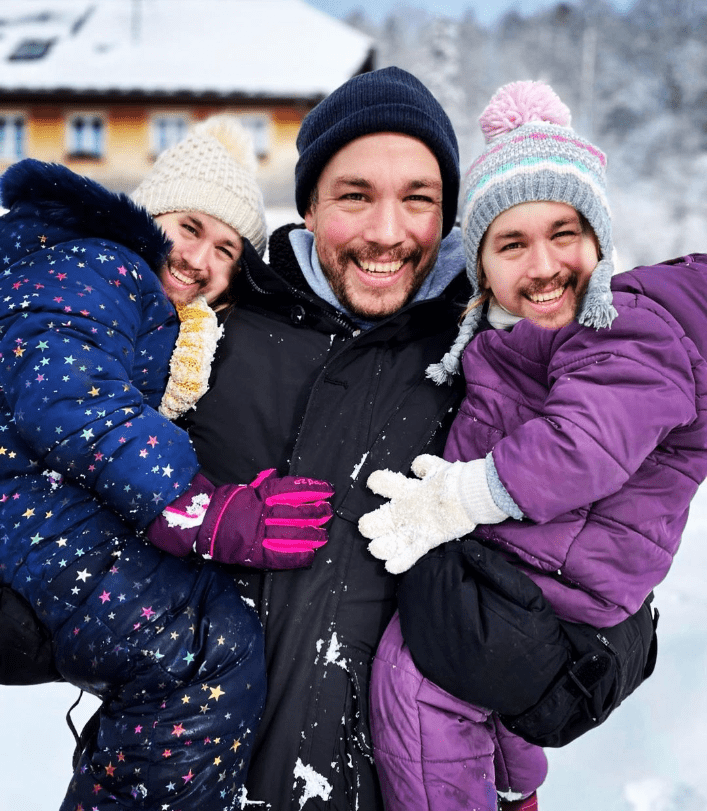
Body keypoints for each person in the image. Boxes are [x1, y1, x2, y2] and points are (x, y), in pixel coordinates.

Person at [358, 80, 707, 810]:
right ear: (481, 268)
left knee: (420, 674)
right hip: (533, 565)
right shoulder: (511, 336)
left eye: (563, 235)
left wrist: (462, 493)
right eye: (511, 244)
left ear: (600, 244)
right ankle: (512, 786)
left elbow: (585, 443)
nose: (542, 264)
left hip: (566, 577)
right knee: (467, 646)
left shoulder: (626, 327)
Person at [0, 115, 333, 810]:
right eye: (188, 227)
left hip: (38, 502)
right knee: (200, 650)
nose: (200, 258)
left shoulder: (164, 319)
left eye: (226, 248)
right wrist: (196, 508)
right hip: (23, 503)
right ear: (144, 217)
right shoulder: (103, 268)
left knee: (210, 638)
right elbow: (72, 397)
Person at [177, 66, 473, 809]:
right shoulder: (208, 340)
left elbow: (604, 576)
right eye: (353, 196)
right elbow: (65, 514)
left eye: (417, 199)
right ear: (308, 205)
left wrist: (539, 661)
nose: (385, 231)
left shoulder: (491, 364)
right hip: (181, 780)